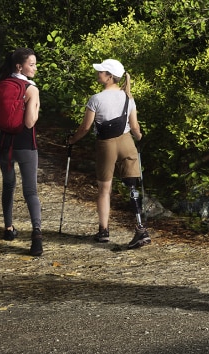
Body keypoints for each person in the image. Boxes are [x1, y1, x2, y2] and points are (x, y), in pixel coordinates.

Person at [66, 58, 150, 249]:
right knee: (132, 187)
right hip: (127, 142)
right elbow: (135, 127)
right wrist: (139, 137)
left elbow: (85, 128)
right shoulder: (128, 98)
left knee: (105, 189)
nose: (98, 74)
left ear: (109, 77)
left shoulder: (96, 99)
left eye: (101, 72)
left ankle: (104, 231)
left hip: (106, 145)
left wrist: (72, 140)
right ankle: (140, 229)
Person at [0, 48, 43, 256]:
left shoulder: (2, 84)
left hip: (4, 145)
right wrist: (35, 109)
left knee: (8, 186)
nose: (35, 68)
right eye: (32, 64)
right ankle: (36, 236)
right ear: (20, 66)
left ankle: (8, 229)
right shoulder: (31, 89)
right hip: (26, 146)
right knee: (30, 191)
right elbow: (29, 122)